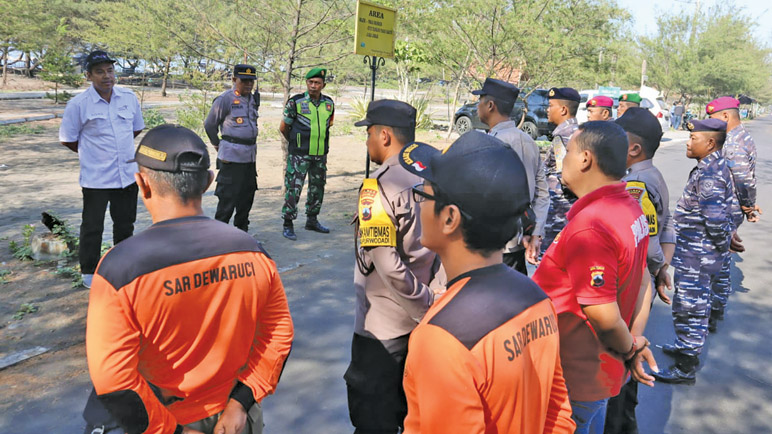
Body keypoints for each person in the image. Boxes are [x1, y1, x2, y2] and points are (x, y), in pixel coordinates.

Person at [83, 125, 294, 434]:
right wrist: (241, 401)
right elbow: (279, 335)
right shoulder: (254, 253)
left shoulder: (120, 270)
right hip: (235, 420)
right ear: (209, 182)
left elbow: (113, 381)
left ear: (142, 184)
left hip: (161, 419)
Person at [399, 131, 576, 433]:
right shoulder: (535, 298)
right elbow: (558, 414)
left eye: (423, 195)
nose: (419, 205)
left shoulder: (440, 339)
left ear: (450, 218)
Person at [532, 121, 657, 434]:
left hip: (574, 376)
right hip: (599, 372)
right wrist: (636, 339)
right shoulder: (629, 207)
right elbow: (644, 282)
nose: (563, 160)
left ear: (585, 159)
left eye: (568, 152)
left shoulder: (592, 225)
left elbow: (603, 315)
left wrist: (631, 347)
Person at [346, 100, 443, 434]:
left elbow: (386, 263)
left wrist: (422, 305)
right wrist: (433, 301)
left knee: (374, 420)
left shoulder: (378, 185)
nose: (367, 141)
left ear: (384, 136)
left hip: (383, 330)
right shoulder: (431, 176)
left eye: (369, 133)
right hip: (425, 324)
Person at [605, 107, 675, 434]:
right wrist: (664, 269)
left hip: (633, 285)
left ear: (633, 149)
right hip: (644, 279)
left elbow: (648, 242)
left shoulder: (636, 182)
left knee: (622, 366)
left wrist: (658, 268)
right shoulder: (653, 174)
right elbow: (668, 226)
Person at [654, 119, 734, 385]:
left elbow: (715, 219)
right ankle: (684, 345)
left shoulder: (710, 173)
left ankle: (686, 366)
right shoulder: (712, 165)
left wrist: (719, 248)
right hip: (697, 253)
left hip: (698, 255)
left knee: (691, 307)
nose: (688, 143)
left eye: (693, 138)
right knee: (692, 305)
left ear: (710, 143)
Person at [59, 50, 145, 288]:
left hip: (127, 175)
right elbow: (68, 138)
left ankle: (123, 266)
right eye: (100, 72)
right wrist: (93, 154)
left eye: (110, 70)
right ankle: (89, 271)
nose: (107, 76)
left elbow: (135, 129)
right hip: (96, 178)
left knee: (125, 224)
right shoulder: (78, 104)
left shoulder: (128, 98)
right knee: (92, 226)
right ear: (88, 75)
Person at [473, 78, 549, 272]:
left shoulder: (492, 144)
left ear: (490, 105)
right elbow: (542, 194)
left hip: (494, 247)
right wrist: (536, 233)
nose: (476, 105)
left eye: (479, 101)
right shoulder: (529, 142)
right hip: (518, 241)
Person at [705, 96, 760, 331]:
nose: (710, 123)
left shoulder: (734, 143)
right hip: (731, 207)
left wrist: (748, 206)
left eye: (713, 118)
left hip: (728, 208)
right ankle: (715, 306)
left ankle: (714, 308)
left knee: (719, 258)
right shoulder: (739, 136)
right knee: (722, 255)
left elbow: (743, 180)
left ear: (725, 117)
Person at [279, 67, 334, 240]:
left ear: (323, 85)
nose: (313, 86)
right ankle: (288, 224)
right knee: (293, 190)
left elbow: (328, 126)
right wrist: (296, 143)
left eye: (317, 83)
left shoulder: (329, 104)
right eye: (310, 82)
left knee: (317, 188)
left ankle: (312, 220)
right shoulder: (295, 102)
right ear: (306, 83)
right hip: (299, 155)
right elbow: (283, 127)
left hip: (320, 156)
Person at [204, 64, 261, 232]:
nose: (249, 85)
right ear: (234, 79)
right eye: (244, 81)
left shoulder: (253, 99)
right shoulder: (225, 99)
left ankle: (242, 233)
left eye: (251, 81)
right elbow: (209, 125)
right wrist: (217, 144)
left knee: (247, 197)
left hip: (249, 158)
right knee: (227, 199)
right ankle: (220, 236)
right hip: (231, 158)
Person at [543, 87, 581, 254]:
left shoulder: (562, 136)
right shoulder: (578, 131)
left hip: (560, 213)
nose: (547, 110)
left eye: (551, 105)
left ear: (563, 109)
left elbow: (563, 177)